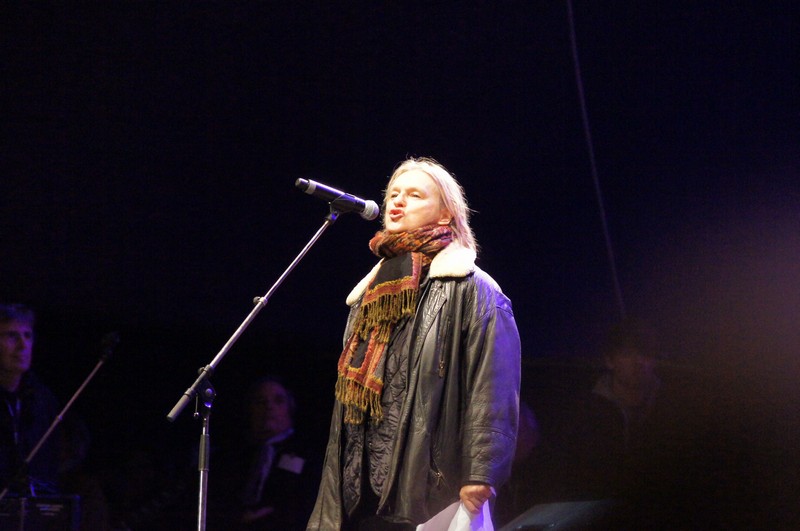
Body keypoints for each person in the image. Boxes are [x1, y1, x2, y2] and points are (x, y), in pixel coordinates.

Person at [307, 157, 521, 530]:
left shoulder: (472, 288)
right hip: (359, 492)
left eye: (414, 195)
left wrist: (482, 470)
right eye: (393, 194)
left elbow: (494, 386)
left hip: (427, 489)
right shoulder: (369, 295)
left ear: (445, 214)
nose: (397, 202)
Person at [210, 375, 320, 530]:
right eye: (260, 402)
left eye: (278, 401)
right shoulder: (230, 455)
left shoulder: (309, 453)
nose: (269, 407)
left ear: (290, 408)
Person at [0, 303, 64, 496]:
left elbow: (49, 465)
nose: (23, 346)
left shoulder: (41, 399)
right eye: (12, 336)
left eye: (27, 336)